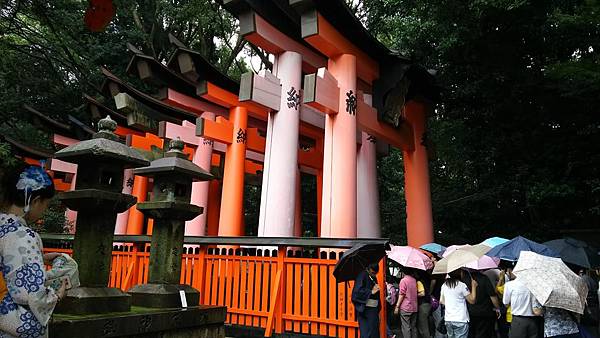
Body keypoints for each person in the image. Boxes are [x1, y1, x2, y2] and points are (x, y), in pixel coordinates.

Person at [0, 165, 68, 337]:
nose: (43, 211)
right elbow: (32, 294)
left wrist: (40, 258)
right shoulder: (23, 236)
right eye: (45, 204)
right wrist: (57, 296)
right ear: (36, 200)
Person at [440, 269, 478, 338]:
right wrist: (474, 287)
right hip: (461, 319)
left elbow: (442, 301)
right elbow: (472, 300)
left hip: (448, 319)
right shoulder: (462, 285)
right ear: (459, 273)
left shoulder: (444, 285)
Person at [502, 273, 542, 338]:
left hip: (518, 320)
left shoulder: (509, 285)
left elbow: (506, 303)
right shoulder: (535, 285)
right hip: (534, 320)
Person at [465, 270, 501, 338]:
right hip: (484, 313)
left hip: (469, 312)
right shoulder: (484, 278)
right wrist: (497, 308)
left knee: (471, 334)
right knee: (483, 334)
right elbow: (492, 296)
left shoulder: (464, 279)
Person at [352, 262, 382, 338]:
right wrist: (371, 292)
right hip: (366, 309)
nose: (374, 274)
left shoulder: (371, 276)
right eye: (373, 272)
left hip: (372, 309)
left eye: (376, 273)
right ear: (368, 269)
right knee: (367, 333)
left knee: (373, 332)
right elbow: (356, 292)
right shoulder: (362, 275)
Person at [394, 268, 418, 338]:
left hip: (406, 307)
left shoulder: (403, 280)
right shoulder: (414, 280)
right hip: (414, 307)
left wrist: (397, 306)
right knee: (413, 327)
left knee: (406, 327)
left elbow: (402, 294)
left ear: (403, 272)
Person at [416, 270, 433, 338]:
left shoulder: (419, 282)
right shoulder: (427, 280)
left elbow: (422, 293)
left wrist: (414, 294)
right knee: (428, 323)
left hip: (423, 305)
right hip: (428, 304)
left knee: (423, 326)